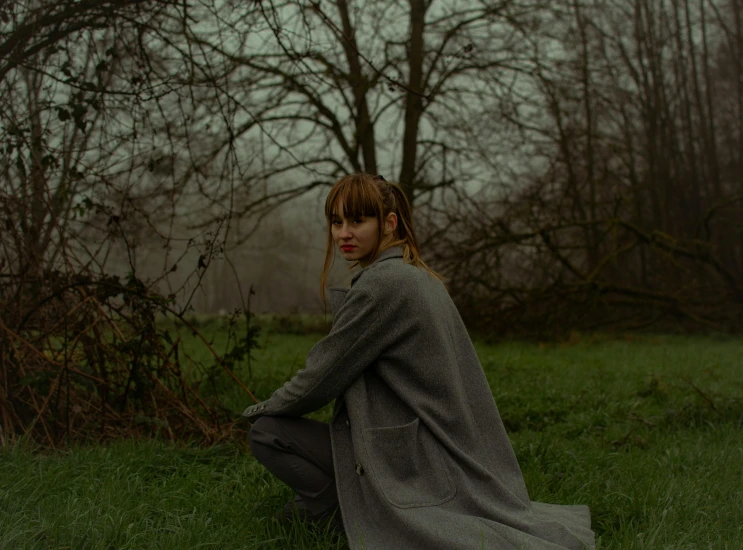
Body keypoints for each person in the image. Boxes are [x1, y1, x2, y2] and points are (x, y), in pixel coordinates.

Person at [244, 173, 595, 550]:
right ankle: (339, 505)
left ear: (389, 223)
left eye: (357, 221)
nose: (344, 233)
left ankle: (335, 512)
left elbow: (318, 380)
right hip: (430, 451)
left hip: (409, 462)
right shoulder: (419, 277)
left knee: (267, 432)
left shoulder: (382, 286)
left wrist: (255, 411)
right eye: (336, 222)